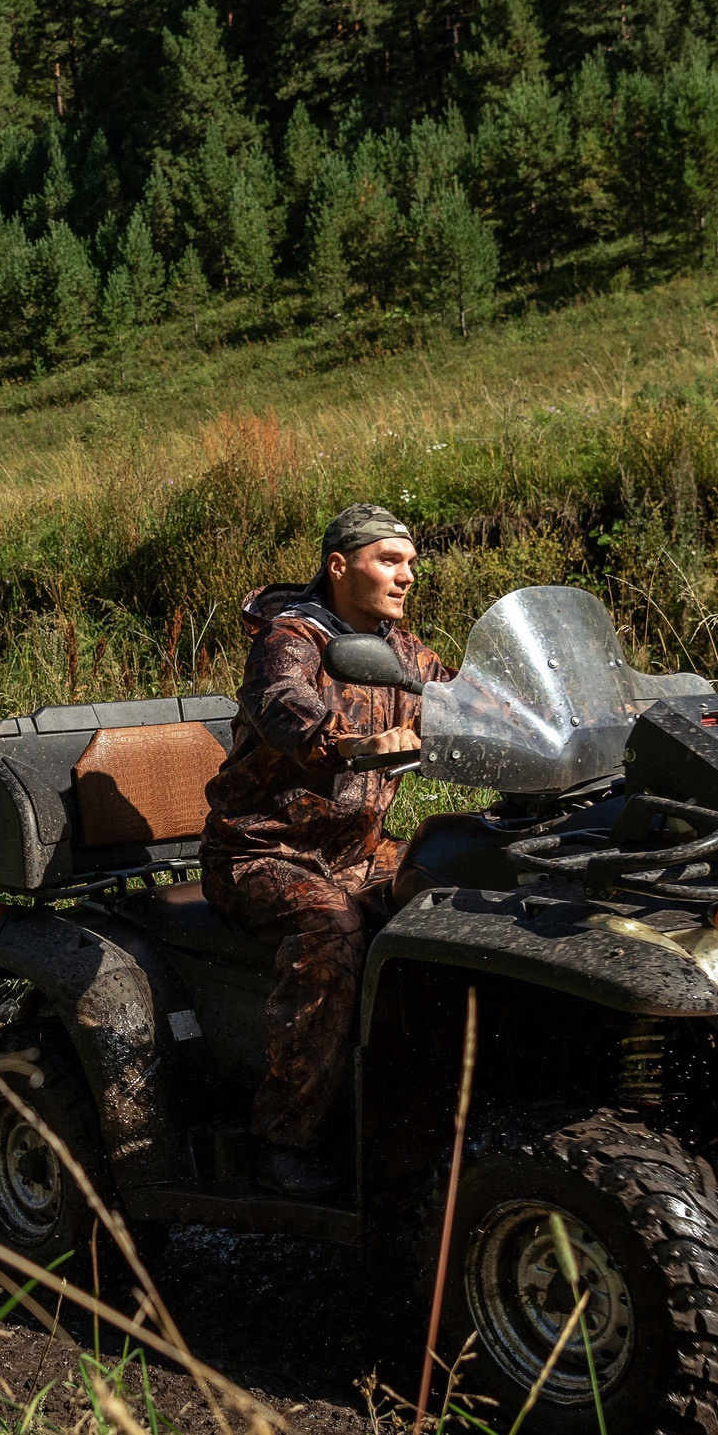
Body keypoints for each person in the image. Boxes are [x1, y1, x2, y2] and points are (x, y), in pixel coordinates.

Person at [199, 503, 456, 1199]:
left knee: (458, 885)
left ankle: (423, 1116)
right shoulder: (292, 639)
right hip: (261, 852)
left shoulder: (403, 653)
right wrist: (339, 738)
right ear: (341, 566)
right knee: (332, 929)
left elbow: (470, 699)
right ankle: (284, 1138)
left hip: (357, 850)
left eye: (410, 562)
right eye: (389, 560)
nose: (407, 575)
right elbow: (280, 700)